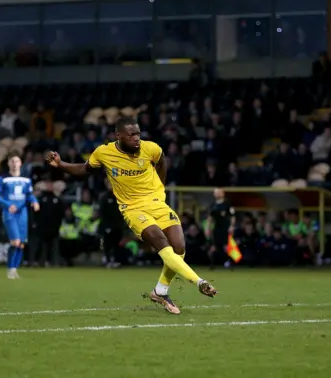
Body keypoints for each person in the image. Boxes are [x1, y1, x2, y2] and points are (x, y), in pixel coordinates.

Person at [45, 116, 217, 315]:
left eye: (138, 134)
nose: (137, 138)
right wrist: (61, 164)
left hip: (158, 205)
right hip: (133, 209)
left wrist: (158, 188)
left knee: (179, 247)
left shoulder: (151, 148)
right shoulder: (104, 153)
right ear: (118, 135)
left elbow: (162, 162)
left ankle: (160, 291)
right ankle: (199, 282)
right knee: (162, 243)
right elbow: (84, 170)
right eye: (131, 135)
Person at [0, 153, 40, 279]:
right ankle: (10, 269)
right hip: (9, 214)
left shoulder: (26, 180)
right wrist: (7, 205)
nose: (14, 163)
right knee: (16, 242)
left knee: (22, 243)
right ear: (8, 163)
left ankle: (14, 270)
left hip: (22, 214)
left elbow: (29, 194)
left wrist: (34, 201)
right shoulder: (2, 179)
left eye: (17, 161)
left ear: (21, 163)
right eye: (12, 161)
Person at [32, 175, 64, 267]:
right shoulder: (41, 198)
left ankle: (49, 261)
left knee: (51, 245)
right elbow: (36, 211)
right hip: (42, 225)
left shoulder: (57, 198)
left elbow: (60, 212)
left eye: (50, 183)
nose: (49, 185)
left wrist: (58, 224)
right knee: (40, 244)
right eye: (47, 184)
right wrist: (36, 222)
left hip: (53, 226)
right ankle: (36, 261)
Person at [205, 188, 236, 269]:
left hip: (225, 228)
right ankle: (212, 264)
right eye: (216, 193)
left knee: (226, 247)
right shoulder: (212, 205)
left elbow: (233, 216)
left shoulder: (227, 204)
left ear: (223, 193)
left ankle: (229, 263)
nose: (217, 194)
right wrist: (207, 228)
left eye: (219, 192)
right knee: (213, 247)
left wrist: (232, 226)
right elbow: (210, 218)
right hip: (216, 228)